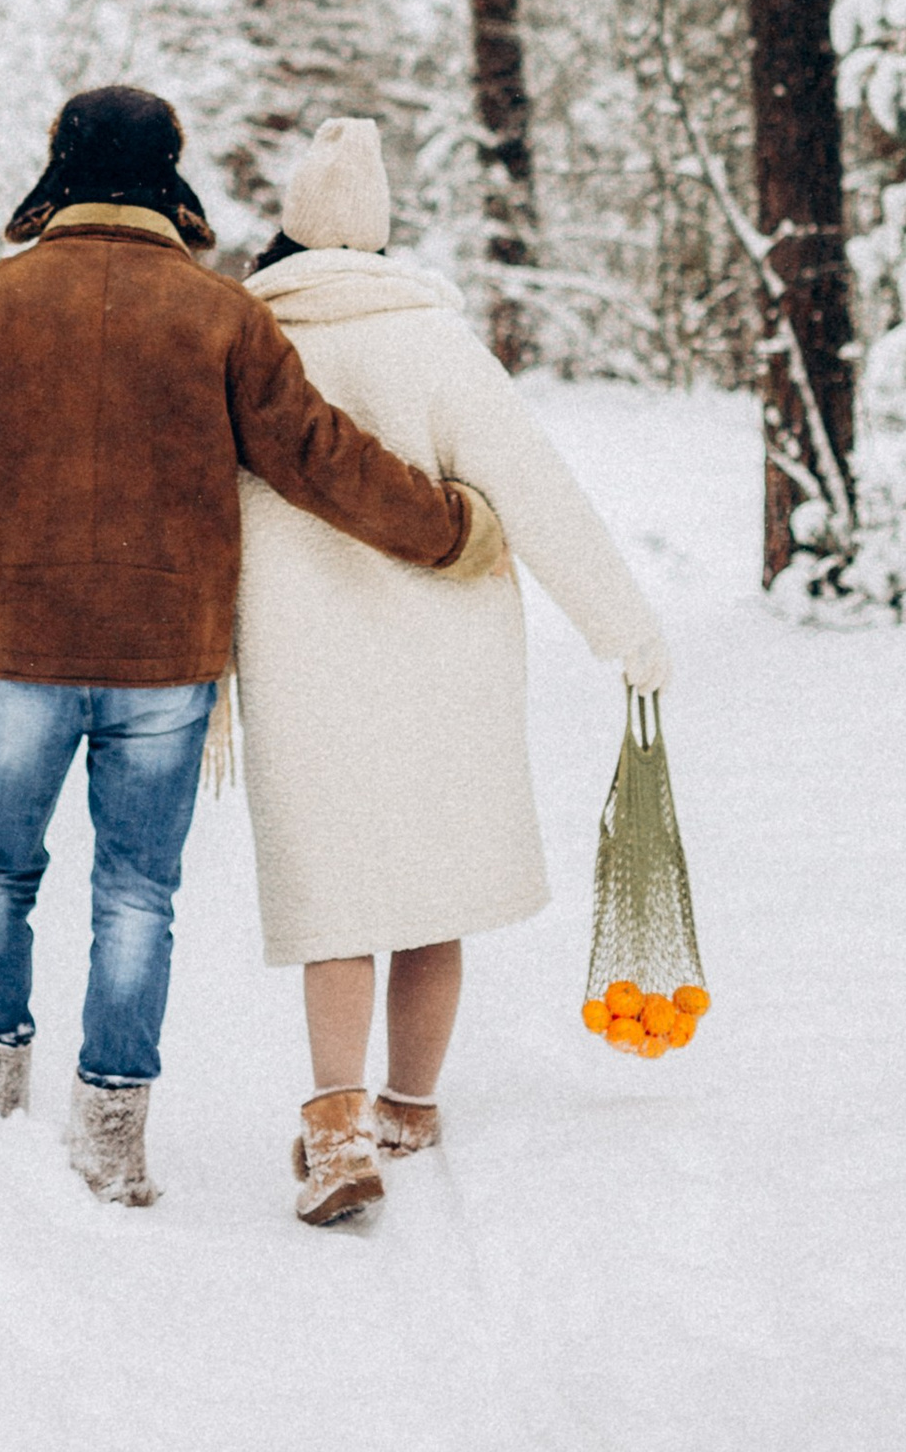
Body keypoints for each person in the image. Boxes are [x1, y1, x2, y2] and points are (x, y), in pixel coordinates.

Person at [0, 84, 505, 1206]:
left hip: (21, 656)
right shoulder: (220, 315)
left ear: (60, 167)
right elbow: (317, 456)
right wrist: (448, 531)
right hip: (164, 663)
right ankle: (111, 1139)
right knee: (136, 895)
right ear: (168, 175)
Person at [233, 115, 672, 1226]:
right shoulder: (433, 345)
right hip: (447, 659)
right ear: (382, 238)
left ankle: (333, 1128)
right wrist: (623, 630)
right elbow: (540, 495)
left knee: (334, 900)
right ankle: (410, 1107)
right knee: (432, 892)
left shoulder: (246, 349)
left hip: (299, 665)